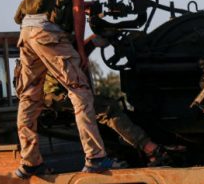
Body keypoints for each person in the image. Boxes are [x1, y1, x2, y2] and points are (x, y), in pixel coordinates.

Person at [14, 0, 113, 178]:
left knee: (29, 98)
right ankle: (95, 157)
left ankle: (30, 162)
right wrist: (80, 48)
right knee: (80, 92)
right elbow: (78, 10)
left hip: (27, 35)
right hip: (48, 36)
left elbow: (53, 3)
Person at [39, 36, 179, 166]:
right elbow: (72, 54)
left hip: (53, 93)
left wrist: (94, 41)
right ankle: (151, 149)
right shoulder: (56, 38)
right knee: (108, 109)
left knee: (104, 110)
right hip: (57, 94)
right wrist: (94, 41)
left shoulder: (44, 35)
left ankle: (132, 153)